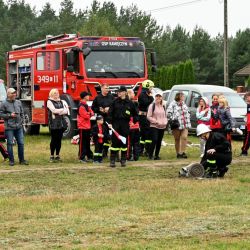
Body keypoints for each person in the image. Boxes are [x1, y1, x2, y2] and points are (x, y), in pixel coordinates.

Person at [107, 86, 139, 167]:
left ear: (125, 92)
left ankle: (123, 160)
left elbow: (136, 114)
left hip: (125, 124)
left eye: (120, 92)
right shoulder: (114, 102)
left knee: (124, 142)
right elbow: (110, 113)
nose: (119, 93)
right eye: (118, 92)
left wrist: (133, 122)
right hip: (115, 124)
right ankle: (112, 160)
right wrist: (110, 122)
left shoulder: (130, 103)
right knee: (114, 142)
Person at [0, 88, 28, 166]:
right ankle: (11, 160)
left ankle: (22, 160)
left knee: (21, 143)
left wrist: (21, 121)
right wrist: (10, 115)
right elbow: (1, 114)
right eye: (12, 93)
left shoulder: (18, 102)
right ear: (8, 94)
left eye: (15, 93)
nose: (14, 94)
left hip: (19, 127)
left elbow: (22, 113)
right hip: (9, 128)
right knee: (9, 144)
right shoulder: (4, 103)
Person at [92, 84, 114, 158]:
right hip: (100, 119)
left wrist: (109, 109)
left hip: (109, 119)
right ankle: (99, 151)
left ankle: (105, 151)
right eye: (105, 88)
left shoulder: (111, 97)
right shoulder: (97, 98)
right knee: (100, 135)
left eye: (108, 88)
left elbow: (114, 106)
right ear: (101, 89)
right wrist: (99, 109)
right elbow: (93, 107)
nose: (107, 90)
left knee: (108, 136)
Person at [47, 88, 69, 163]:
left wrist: (59, 111)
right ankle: (51, 155)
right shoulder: (49, 101)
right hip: (53, 124)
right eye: (55, 93)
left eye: (57, 93)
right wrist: (62, 110)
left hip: (61, 123)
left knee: (59, 140)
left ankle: (57, 155)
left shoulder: (61, 101)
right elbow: (53, 110)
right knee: (54, 139)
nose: (56, 94)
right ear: (51, 94)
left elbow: (66, 111)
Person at [167, 92, 191, 159]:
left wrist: (188, 115)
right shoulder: (173, 104)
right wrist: (172, 120)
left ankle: (182, 152)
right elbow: (168, 113)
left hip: (185, 124)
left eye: (183, 96)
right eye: (182, 96)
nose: (183, 97)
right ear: (178, 97)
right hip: (176, 125)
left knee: (184, 137)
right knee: (177, 139)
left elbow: (188, 112)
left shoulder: (184, 104)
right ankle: (178, 153)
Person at [147, 91, 167, 160]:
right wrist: (156, 121)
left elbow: (165, 116)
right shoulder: (152, 106)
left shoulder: (163, 106)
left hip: (162, 126)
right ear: (155, 97)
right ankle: (150, 154)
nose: (158, 97)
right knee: (154, 140)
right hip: (154, 126)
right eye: (157, 96)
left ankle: (156, 155)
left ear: (162, 97)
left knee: (159, 141)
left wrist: (165, 122)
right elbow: (148, 116)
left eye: (160, 96)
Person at [138, 79, 154, 156]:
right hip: (143, 117)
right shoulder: (142, 95)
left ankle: (143, 150)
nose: (152, 89)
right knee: (146, 133)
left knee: (145, 134)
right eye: (151, 87)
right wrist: (151, 98)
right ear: (147, 87)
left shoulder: (146, 94)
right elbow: (146, 103)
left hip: (146, 116)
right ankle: (145, 150)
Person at [77, 91, 94, 163]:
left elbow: (92, 113)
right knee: (82, 143)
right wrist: (89, 113)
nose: (89, 97)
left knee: (87, 142)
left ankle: (89, 156)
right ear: (84, 97)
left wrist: (89, 113)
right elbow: (86, 116)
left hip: (87, 127)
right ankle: (81, 157)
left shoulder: (86, 105)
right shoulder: (81, 106)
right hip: (82, 127)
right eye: (88, 95)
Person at [127, 89, 140, 161]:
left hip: (133, 126)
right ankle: (134, 156)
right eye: (133, 93)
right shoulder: (131, 104)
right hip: (132, 126)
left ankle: (131, 156)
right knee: (133, 142)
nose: (134, 94)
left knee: (133, 142)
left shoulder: (134, 103)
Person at [241, 92, 250, 156]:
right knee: (246, 138)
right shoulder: (248, 105)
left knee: (247, 138)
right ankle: (244, 150)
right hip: (248, 124)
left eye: (247, 97)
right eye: (245, 97)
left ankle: (244, 151)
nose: (246, 98)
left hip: (249, 125)